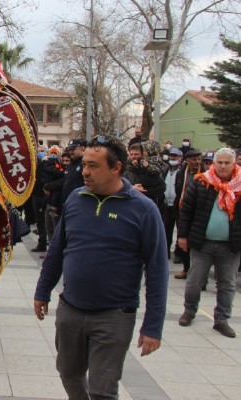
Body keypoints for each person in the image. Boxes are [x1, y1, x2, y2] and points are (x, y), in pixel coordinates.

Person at [34, 135, 167, 400]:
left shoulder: (144, 209)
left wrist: (153, 326)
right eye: (84, 164)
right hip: (70, 308)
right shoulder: (75, 199)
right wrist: (42, 291)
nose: (85, 171)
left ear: (116, 167)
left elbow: (157, 269)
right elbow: (57, 249)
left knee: (102, 389)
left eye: (93, 166)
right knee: (68, 373)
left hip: (114, 315)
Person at [177, 148, 241, 338]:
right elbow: (186, 210)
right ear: (213, 163)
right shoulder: (201, 182)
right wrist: (182, 236)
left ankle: (221, 320)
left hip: (230, 246)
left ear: (234, 164)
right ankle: (189, 311)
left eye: (226, 162)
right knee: (194, 281)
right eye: (219, 162)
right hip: (201, 243)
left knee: (227, 284)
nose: (222, 166)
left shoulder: (239, 185)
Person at [173, 149, 204, 278]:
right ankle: (186, 269)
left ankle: (200, 275)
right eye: (194, 159)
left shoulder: (205, 174)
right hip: (183, 210)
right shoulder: (181, 173)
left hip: (200, 212)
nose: (197, 162)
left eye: (198, 159)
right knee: (183, 240)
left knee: (197, 243)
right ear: (187, 161)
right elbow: (178, 189)